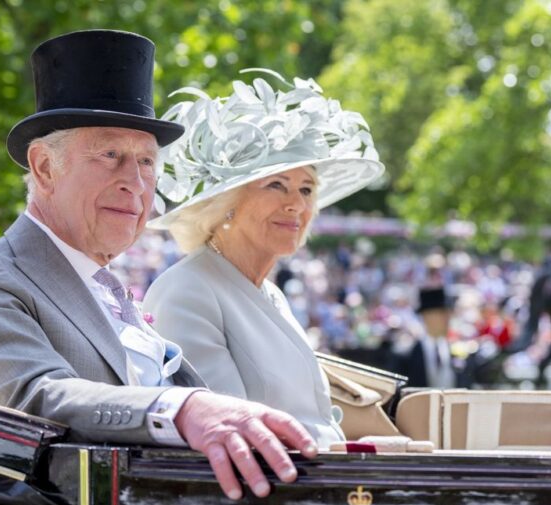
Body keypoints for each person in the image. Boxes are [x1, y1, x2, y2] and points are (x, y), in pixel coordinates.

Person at [0, 30, 318, 502]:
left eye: (148, 162)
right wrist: (183, 409)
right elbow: (34, 401)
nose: (135, 182)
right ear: (45, 168)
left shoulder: (106, 288)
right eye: (110, 155)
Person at [142, 72, 384, 447]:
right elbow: (232, 433)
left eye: (306, 189)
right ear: (226, 204)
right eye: (276, 185)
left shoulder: (271, 295)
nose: (297, 204)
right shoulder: (188, 291)